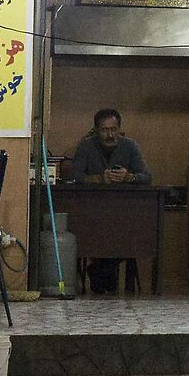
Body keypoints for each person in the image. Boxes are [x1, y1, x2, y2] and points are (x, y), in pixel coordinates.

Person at [67, 108, 149, 294]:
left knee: (125, 237)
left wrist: (129, 177)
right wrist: (97, 179)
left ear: (119, 129)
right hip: (92, 212)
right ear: (96, 130)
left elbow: (146, 176)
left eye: (114, 129)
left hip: (124, 213)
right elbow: (74, 176)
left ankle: (98, 271)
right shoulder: (86, 146)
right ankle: (100, 272)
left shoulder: (130, 146)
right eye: (105, 130)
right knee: (100, 238)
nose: (110, 134)